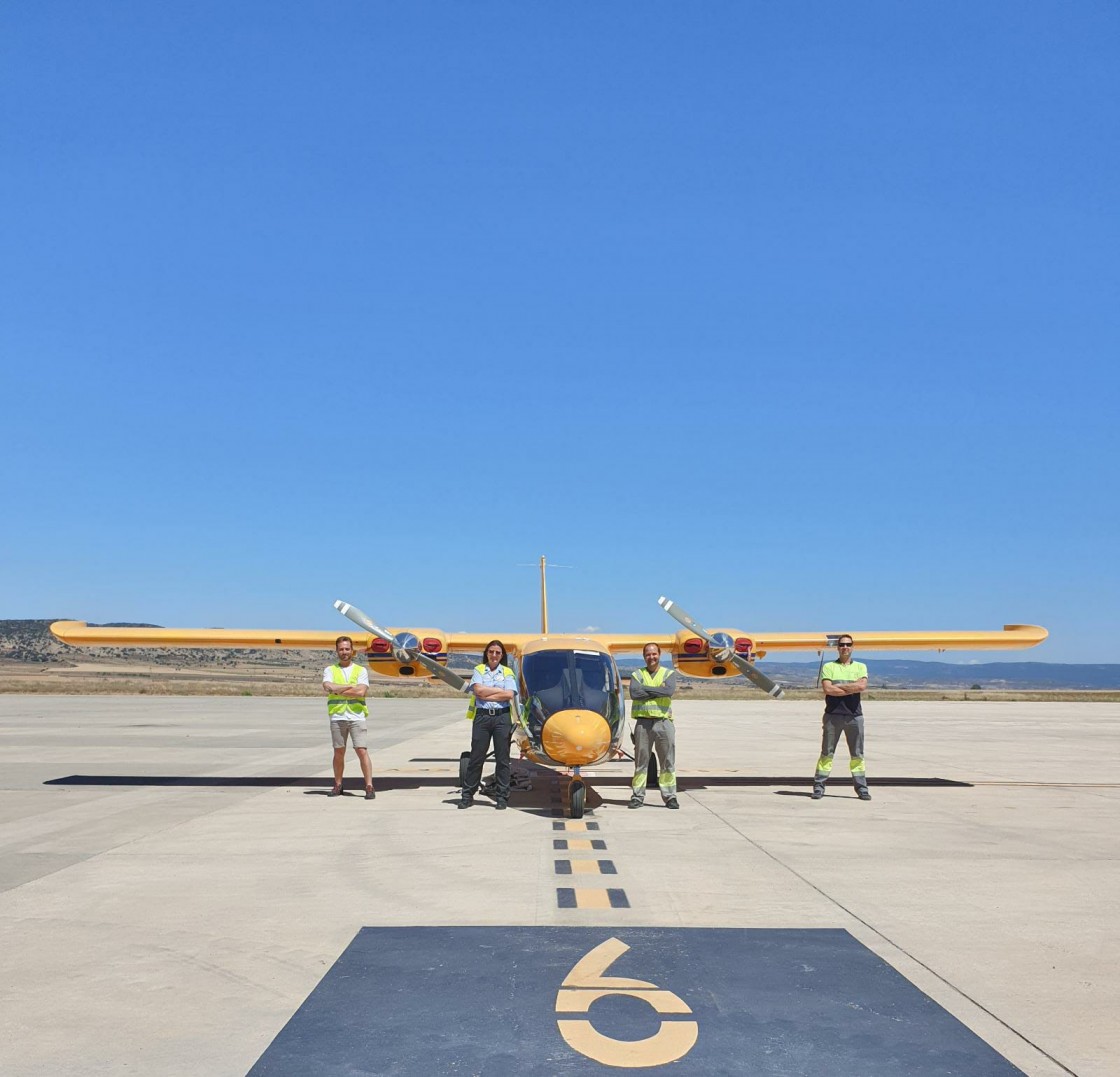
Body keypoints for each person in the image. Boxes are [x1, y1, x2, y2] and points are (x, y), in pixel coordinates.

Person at [458, 640, 518, 810]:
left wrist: (486, 693)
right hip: (482, 718)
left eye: (497, 653)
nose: (494, 655)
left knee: (503, 760)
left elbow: (509, 695)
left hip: (502, 718)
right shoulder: (479, 670)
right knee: (476, 758)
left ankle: (502, 797)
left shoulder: (507, 671)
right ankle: (467, 795)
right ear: (486, 653)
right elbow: (478, 691)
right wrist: (497, 692)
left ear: (502, 655)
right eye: (491, 651)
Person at [812, 634, 870, 801]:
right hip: (833, 716)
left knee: (857, 754)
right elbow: (828, 690)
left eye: (848, 644)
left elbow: (862, 686)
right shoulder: (829, 666)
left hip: (854, 716)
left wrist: (839, 687)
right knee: (826, 753)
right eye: (842, 644)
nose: (845, 647)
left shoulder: (860, 666)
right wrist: (851, 687)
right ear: (837, 648)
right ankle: (819, 786)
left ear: (852, 647)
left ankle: (862, 788)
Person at [322, 635, 375, 800]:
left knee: (361, 750)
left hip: (356, 716)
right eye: (341, 649)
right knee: (339, 752)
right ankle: (338, 785)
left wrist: (338, 689)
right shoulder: (330, 670)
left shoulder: (361, 670)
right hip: (338, 716)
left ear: (352, 651)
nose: (344, 652)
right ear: (337, 651)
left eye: (347, 649)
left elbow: (361, 692)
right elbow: (327, 686)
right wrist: (349, 687)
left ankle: (369, 786)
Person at [629, 643, 680, 809]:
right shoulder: (637, 674)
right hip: (643, 723)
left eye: (654, 654)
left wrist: (645, 689)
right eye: (648, 654)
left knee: (668, 762)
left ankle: (670, 796)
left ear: (660, 655)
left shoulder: (669, 673)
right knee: (640, 762)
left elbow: (668, 691)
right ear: (644, 656)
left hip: (663, 723)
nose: (651, 657)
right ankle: (637, 796)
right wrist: (658, 689)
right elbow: (634, 693)